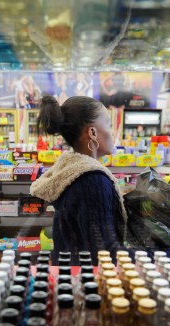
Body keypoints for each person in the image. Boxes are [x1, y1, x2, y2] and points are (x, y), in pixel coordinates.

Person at [30, 95, 129, 264]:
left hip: (70, 273)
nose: (112, 132)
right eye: (109, 124)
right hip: (87, 280)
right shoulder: (93, 181)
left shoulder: (73, 173)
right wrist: (166, 256)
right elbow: (105, 253)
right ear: (92, 132)